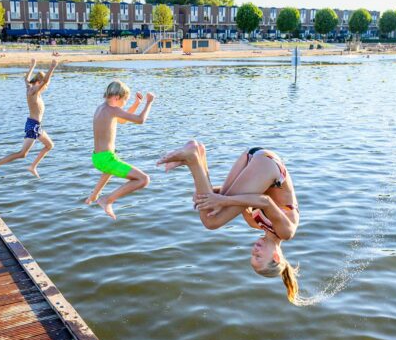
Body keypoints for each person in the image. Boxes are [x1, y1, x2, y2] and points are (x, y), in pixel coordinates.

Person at [157, 140, 300, 303]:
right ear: (275, 257)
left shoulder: (254, 223)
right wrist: (220, 200)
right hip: (269, 166)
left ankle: (198, 153)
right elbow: (265, 201)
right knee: (212, 221)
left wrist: (211, 194)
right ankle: (192, 158)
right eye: (258, 257)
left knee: (212, 211)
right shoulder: (286, 232)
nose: (254, 251)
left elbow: (238, 197)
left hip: (254, 157)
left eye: (252, 256)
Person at [86, 80, 155, 220]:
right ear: (117, 97)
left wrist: (136, 104)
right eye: (125, 100)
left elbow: (122, 120)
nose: (125, 104)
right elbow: (140, 120)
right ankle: (107, 200)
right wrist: (149, 102)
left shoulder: (101, 108)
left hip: (98, 157)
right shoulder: (114, 110)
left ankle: (93, 196)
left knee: (109, 171)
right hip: (106, 159)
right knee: (144, 179)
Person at [0, 59, 58, 178]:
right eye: (44, 85)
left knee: (49, 145)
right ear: (39, 82)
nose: (45, 87)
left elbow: (26, 78)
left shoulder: (30, 87)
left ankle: (32, 167)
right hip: (33, 126)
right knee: (22, 153)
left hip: (36, 126)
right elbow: (45, 81)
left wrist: (32, 66)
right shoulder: (33, 90)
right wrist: (52, 67)